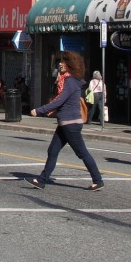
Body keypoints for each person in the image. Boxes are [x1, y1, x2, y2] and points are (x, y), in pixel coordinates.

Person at [27, 51, 104, 191]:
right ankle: (41, 180)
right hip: (65, 123)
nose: (60, 64)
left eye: (63, 62)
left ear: (70, 65)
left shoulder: (69, 81)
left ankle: (98, 180)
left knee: (82, 153)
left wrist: (39, 110)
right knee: (52, 150)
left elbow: (60, 100)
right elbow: (61, 101)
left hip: (70, 124)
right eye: (59, 62)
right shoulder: (67, 80)